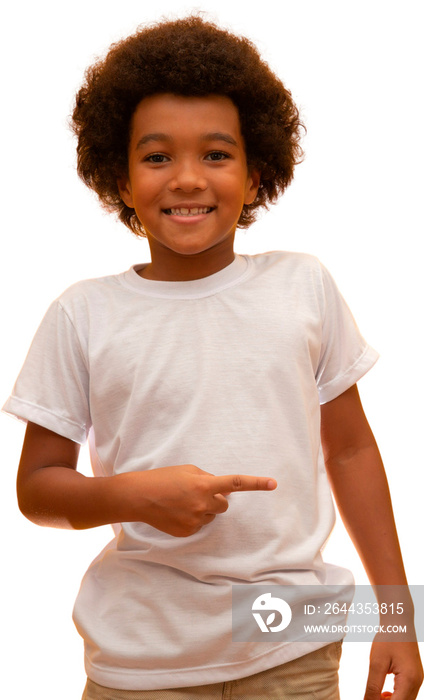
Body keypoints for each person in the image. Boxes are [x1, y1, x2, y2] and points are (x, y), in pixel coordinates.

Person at [3, 15, 422, 700]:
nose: (189, 179)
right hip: (139, 664)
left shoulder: (302, 286)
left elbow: (351, 453)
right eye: (159, 156)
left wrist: (399, 618)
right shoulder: (83, 313)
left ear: (258, 173)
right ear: (121, 176)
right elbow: (38, 489)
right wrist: (130, 495)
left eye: (217, 155)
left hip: (292, 643)